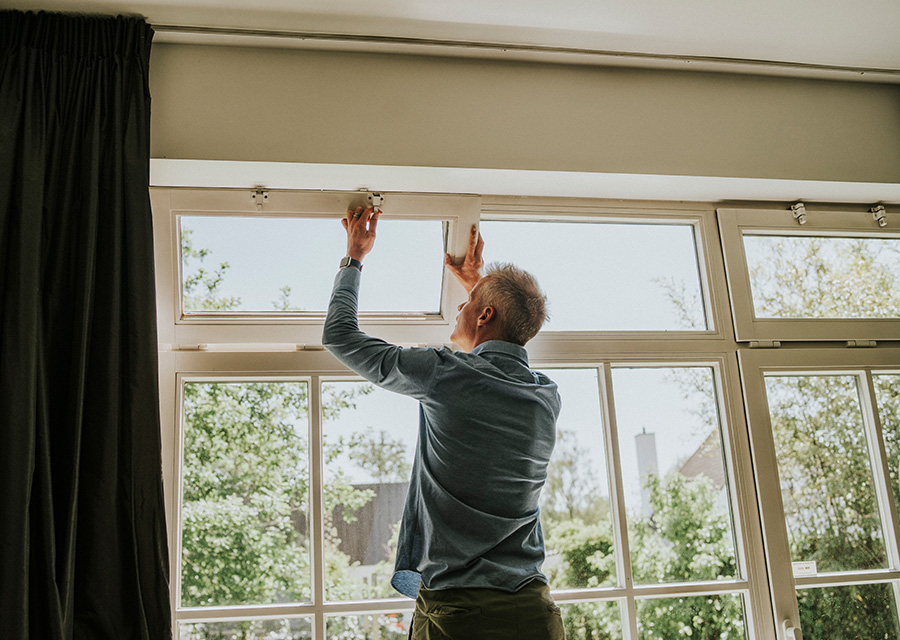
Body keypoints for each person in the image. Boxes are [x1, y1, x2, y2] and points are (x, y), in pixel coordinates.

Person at [323, 206, 565, 640]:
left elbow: (339, 336)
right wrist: (482, 289)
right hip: (524, 610)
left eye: (468, 303)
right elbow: (509, 340)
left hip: (464, 615)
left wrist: (353, 258)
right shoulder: (545, 395)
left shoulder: (446, 373)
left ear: (486, 315)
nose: (459, 307)